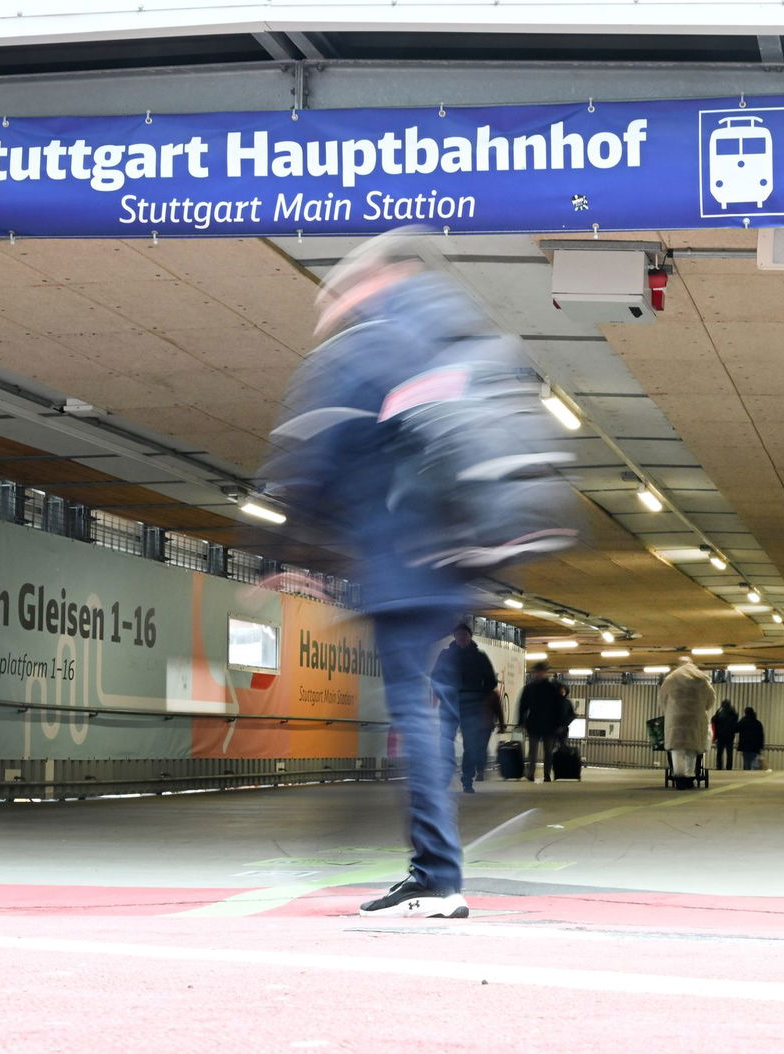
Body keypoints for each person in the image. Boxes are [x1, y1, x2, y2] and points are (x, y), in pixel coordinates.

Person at [263, 231, 574, 919]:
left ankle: (437, 875)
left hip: (400, 558)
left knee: (413, 713)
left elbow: (316, 455)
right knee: (422, 708)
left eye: (347, 288)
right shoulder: (461, 340)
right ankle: (433, 869)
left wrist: (288, 551)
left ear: (380, 279)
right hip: (454, 559)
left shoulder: (369, 345)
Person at [430, 623, 499, 794]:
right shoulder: (445, 655)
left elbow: (491, 681)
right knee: (446, 740)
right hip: (450, 703)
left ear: (470, 637)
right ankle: (446, 775)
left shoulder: (479, 657)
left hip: (471, 705)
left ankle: (467, 778)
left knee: (471, 744)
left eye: (464, 635)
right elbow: (435, 678)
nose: (461, 638)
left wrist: (479, 695)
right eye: (458, 635)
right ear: (454, 637)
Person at [658, 660, 715, 788]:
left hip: (675, 720)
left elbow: (662, 699)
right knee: (692, 750)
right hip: (695, 720)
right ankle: (690, 776)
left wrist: (669, 711)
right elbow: (710, 700)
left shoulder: (671, 679)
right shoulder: (702, 680)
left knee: (677, 749)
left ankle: (679, 778)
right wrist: (701, 707)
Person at [516, 662, 566, 782]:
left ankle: (545, 774)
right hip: (541, 724)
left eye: (541, 672)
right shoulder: (547, 688)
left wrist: (559, 723)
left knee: (545, 751)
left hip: (544, 724)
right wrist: (521, 721)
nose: (539, 674)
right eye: (539, 672)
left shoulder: (544, 688)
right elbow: (523, 706)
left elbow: (558, 707)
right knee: (536, 751)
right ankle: (533, 773)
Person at [711, 699, 739, 771]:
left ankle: (719, 767)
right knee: (729, 753)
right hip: (730, 736)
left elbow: (713, 720)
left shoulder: (719, 714)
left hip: (720, 736)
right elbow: (736, 720)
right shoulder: (732, 714)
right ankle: (729, 767)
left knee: (719, 753)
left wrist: (717, 711)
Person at [736, 706, 765, 771]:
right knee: (754, 764)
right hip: (755, 747)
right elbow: (761, 736)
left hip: (745, 746)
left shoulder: (743, 722)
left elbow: (736, 729)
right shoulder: (758, 723)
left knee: (746, 764)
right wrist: (761, 746)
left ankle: (746, 777)